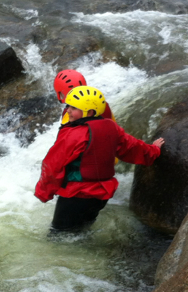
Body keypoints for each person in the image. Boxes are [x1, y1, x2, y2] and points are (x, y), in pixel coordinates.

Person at [35, 85, 165, 232]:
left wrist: (43, 193)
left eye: (74, 108)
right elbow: (132, 148)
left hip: (76, 194)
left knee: (59, 236)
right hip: (100, 196)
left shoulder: (74, 135)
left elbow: (53, 165)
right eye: (68, 106)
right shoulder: (111, 127)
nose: (69, 111)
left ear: (90, 112)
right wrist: (154, 150)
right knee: (82, 231)